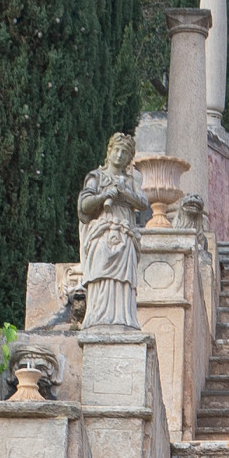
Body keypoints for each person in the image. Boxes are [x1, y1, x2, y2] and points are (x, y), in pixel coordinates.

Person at [74, 132, 148, 335]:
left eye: (125, 152)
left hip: (124, 234)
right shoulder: (96, 177)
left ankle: (123, 318)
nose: (119, 155)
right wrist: (103, 195)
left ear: (129, 158)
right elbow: (84, 205)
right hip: (102, 232)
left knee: (124, 279)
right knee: (100, 272)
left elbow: (143, 203)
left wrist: (124, 192)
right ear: (109, 151)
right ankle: (97, 317)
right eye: (117, 150)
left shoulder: (130, 181)